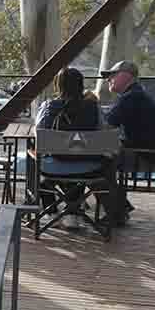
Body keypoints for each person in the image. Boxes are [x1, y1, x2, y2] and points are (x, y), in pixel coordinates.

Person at [103, 60, 155, 225]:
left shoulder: (131, 97)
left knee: (96, 164)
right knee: (100, 160)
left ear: (126, 76)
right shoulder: (134, 94)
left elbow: (107, 124)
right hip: (150, 153)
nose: (107, 80)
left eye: (112, 75)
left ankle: (117, 210)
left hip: (146, 157)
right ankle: (119, 207)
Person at [36, 67, 103, 229]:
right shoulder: (94, 107)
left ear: (59, 85)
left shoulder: (49, 106)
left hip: (55, 166)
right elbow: (102, 132)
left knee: (42, 176)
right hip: (89, 167)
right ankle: (72, 214)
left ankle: (51, 212)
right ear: (81, 85)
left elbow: (39, 134)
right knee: (78, 167)